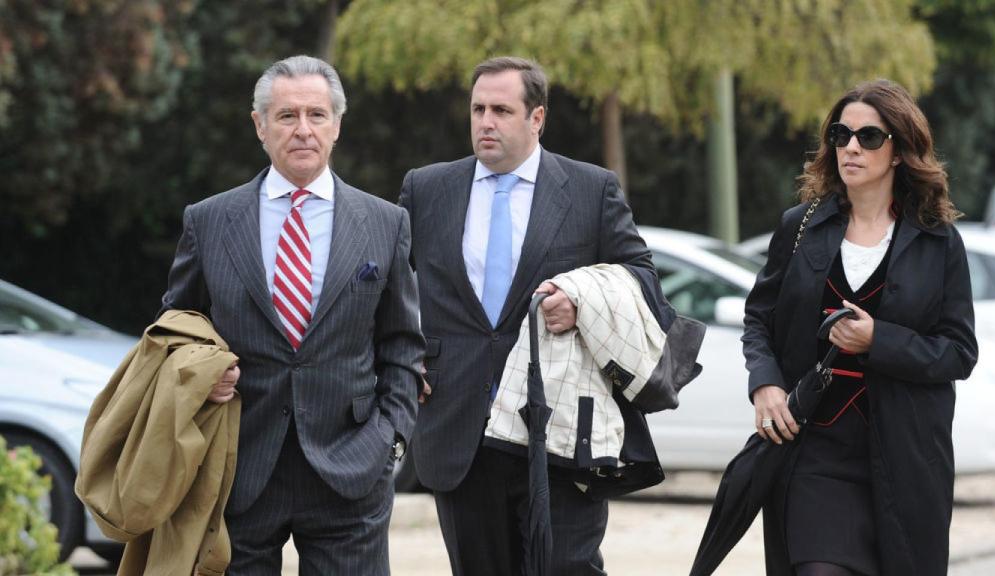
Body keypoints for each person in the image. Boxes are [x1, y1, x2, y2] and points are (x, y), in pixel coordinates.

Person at [159, 55, 423, 575]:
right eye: (286, 116)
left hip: (351, 470)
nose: (303, 129)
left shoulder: (386, 223)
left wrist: (389, 441)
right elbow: (173, 330)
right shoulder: (208, 221)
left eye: (316, 115)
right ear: (259, 125)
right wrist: (200, 372)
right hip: (237, 466)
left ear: (337, 125)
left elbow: (402, 344)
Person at [399, 56, 659, 575]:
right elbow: (392, 290)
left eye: (501, 110)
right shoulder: (426, 189)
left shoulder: (590, 189)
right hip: (459, 428)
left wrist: (582, 300)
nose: (485, 122)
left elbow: (644, 281)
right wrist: (405, 360)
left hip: (557, 428)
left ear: (537, 118)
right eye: (478, 109)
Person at [742, 79, 978, 575]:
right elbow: (759, 317)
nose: (851, 147)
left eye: (868, 137)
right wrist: (765, 384)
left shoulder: (938, 242)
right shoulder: (800, 226)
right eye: (840, 134)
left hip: (905, 458)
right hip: (813, 452)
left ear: (899, 152)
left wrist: (878, 340)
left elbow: (959, 352)